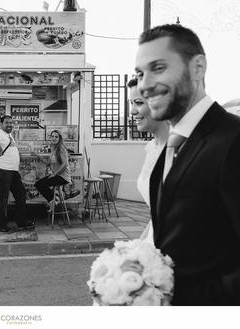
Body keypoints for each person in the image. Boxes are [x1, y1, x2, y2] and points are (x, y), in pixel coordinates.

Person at [135, 24, 240, 305]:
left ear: (198, 68)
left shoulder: (233, 140)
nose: (144, 85)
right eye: (140, 73)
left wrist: (172, 300)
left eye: (158, 68)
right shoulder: (170, 146)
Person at [127, 78, 169, 244]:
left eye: (138, 103)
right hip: (154, 242)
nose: (132, 111)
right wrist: (140, 246)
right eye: (131, 103)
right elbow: (156, 215)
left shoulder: (182, 151)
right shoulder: (151, 147)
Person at [0, 115, 35, 233]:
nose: (9, 125)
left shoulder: (9, 135)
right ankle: (1, 225)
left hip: (12, 171)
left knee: (21, 194)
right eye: (7, 123)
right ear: (1, 124)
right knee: (3, 199)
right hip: (3, 170)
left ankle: (21, 221)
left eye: (11, 123)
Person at [33, 130, 71, 206]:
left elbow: (65, 164)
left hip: (63, 177)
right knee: (38, 184)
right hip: (58, 176)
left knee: (39, 184)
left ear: (59, 139)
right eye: (52, 136)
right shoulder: (54, 149)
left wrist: (55, 174)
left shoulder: (61, 148)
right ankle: (54, 201)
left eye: (56, 137)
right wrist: (38, 156)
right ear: (50, 137)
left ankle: (54, 201)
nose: (54, 138)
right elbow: (48, 163)